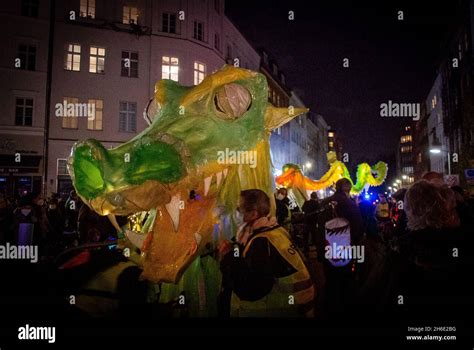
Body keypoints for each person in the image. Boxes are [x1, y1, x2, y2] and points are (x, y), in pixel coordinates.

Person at [218, 189, 315, 317]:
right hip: (299, 307)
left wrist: (228, 256)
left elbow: (250, 289)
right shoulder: (275, 231)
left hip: (280, 310)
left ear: (253, 214)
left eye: (238, 209)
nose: (235, 213)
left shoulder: (261, 242)